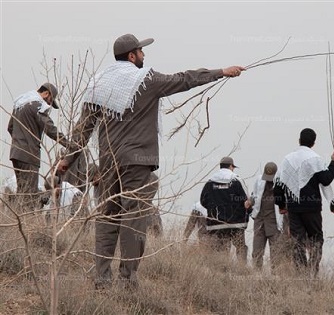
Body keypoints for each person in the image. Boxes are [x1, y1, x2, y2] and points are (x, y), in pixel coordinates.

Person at [57, 34, 245, 289]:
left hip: (108, 163)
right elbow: (185, 79)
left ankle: (101, 279)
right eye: (141, 52)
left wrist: (68, 159)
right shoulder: (147, 80)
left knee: (107, 218)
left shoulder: (98, 84)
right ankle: (128, 280)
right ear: (132, 56)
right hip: (137, 163)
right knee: (134, 218)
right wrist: (221, 72)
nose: (144, 56)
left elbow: (83, 129)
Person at [274, 128, 334, 276]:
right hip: (312, 208)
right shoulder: (315, 159)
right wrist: (333, 163)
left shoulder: (288, 160)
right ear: (313, 143)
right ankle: (312, 270)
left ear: (299, 140)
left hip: (294, 209)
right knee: (316, 239)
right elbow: (326, 179)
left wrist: (282, 205)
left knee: (297, 241)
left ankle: (301, 273)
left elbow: (278, 185)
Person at [8, 82, 68, 213]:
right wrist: (68, 144)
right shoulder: (38, 104)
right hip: (29, 154)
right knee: (29, 195)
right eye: (50, 101)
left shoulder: (20, 103)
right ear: (46, 93)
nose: (49, 105)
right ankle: (26, 225)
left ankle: (18, 222)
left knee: (22, 192)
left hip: (16, 153)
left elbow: (10, 127)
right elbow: (50, 129)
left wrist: (19, 141)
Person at [200, 156, 252, 263]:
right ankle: (242, 270)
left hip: (216, 223)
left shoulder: (210, 182)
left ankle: (222, 271)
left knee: (221, 249)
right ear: (231, 166)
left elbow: (203, 201)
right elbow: (247, 201)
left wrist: (213, 211)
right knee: (240, 247)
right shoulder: (236, 180)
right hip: (236, 223)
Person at [250, 162, 285, 271]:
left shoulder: (281, 183)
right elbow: (254, 195)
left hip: (274, 222)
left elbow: (285, 203)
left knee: (276, 252)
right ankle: (256, 273)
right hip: (260, 220)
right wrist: (250, 201)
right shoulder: (259, 180)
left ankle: (276, 275)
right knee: (257, 251)